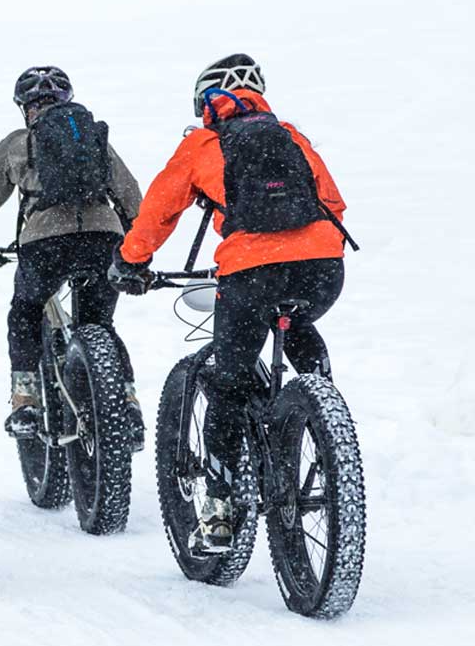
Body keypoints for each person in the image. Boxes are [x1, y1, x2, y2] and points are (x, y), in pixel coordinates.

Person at [109, 53, 349, 553]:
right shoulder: (291, 136)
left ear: (207, 103)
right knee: (297, 323)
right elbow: (334, 202)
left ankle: (218, 509)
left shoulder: (203, 144)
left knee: (228, 379)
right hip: (322, 268)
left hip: (250, 273)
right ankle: (324, 421)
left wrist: (131, 261)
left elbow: (159, 210)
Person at [0, 66, 146, 445]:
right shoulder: (93, 139)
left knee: (25, 311)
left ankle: (25, 399)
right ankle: (127, 400)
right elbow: (130, 194)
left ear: (25, 108)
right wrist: (134, 240)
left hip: (45, 243)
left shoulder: (19, 142)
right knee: (101, 324)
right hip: (102, 238)